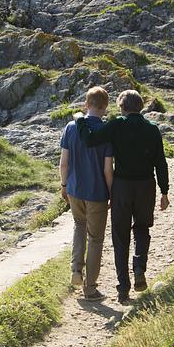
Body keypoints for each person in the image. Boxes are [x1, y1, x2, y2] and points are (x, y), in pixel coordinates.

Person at [76, 89, 169, 304]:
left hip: (122, 188)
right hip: (146, 186)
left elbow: (90, 140)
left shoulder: (117, 124)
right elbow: (161, 164)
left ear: (122, 107)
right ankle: (139, 266)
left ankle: (123, 289)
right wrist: (164, 192)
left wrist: (80, 120)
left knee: (120, 238)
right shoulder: (152, 129)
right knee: (142, 229)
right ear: (141, 107)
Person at [60, 87, 114, 302]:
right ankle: (90, 288)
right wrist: (111, 193)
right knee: (96, 239)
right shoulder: (107, 132)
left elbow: (64, 162)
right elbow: (107, 169)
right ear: (105, 107)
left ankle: (76, 269)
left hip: (74, 189)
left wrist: (64, 185)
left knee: (78, 226)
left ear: (86, 104)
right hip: (97, 193)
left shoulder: (71, 127)